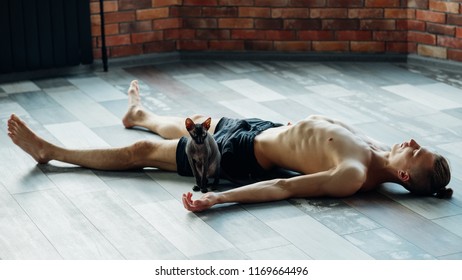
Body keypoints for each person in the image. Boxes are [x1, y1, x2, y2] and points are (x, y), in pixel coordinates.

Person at [7, 80, 452, 212]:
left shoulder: (353, 175)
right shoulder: (376, 148)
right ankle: (138, 116)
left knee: (141, 156)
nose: (410, 141)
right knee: (191, 123)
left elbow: (283, 187)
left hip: (241, 156)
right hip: (260, 127)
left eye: (415, 150)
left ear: (405, 175)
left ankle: (52, 151)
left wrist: (219, 197)